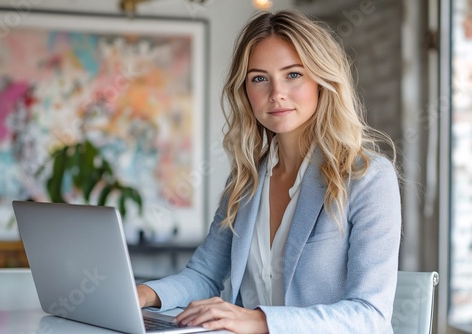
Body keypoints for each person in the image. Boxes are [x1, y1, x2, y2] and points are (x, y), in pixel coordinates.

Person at [137, 9, 401, 334]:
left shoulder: (369, 178)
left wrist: (259, 321)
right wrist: (142, 294)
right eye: (259, 78)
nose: (276, 93)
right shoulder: (246, 180)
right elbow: (204, 275)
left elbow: (370, 315)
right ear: (245, 92)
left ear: (321, 80)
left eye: (293, 74)